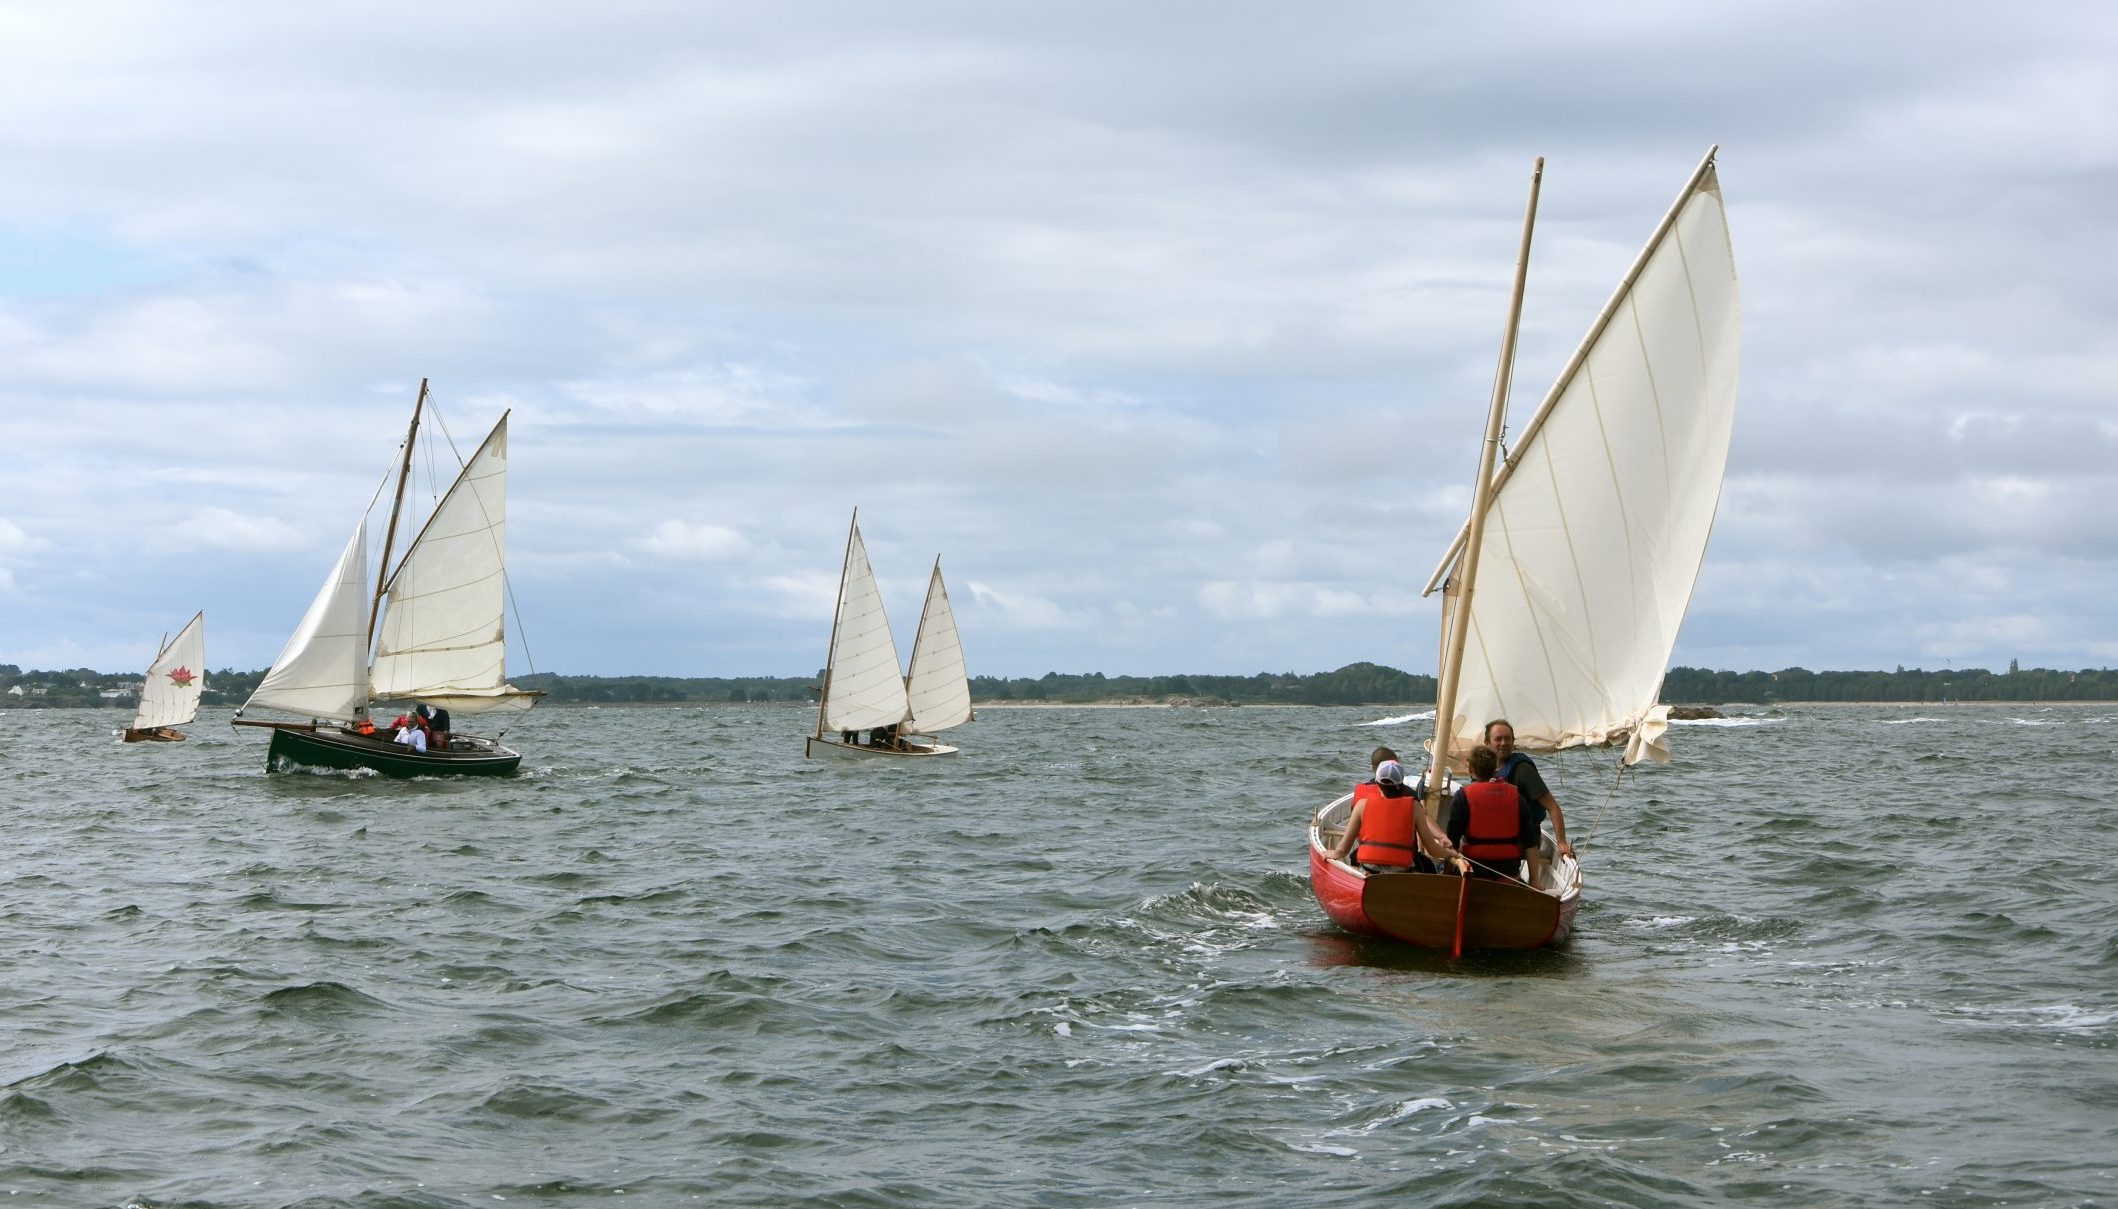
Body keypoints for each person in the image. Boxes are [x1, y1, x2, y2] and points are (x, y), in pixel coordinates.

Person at [1328, 753, 1458, 873]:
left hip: (1369, 870)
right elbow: (1432, 849)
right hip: (1400, 873)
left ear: (1377, 784)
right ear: (1401, 784)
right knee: (1427, 866)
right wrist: (1450, 854)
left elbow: (1343, 849)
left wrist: (1333, 853)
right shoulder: (1414, 807)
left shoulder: (1362, 805)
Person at [1447, 744, 1544, 885]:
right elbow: (1531, 843)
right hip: (1509, 875)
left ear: (1470, 769)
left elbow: (1452, 842)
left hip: (1474, 874)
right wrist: (1535, 882)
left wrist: (1448, 875)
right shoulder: (1516, 797)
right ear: (1496, 769)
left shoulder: (1462, 796)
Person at [1484, 718, 1575, 861]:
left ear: (1513, 741)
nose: (1503, 743)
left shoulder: (1523, 770)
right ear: (1487, 743)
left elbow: (1552, 807)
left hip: (1523, 839)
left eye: (1508, 738)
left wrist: (1562, 843)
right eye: (1498, 739)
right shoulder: (1484, 771)